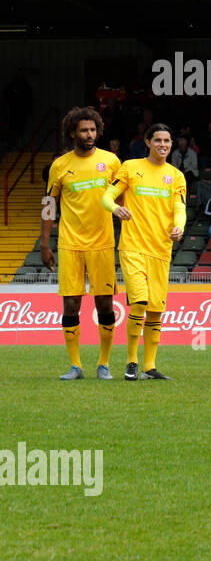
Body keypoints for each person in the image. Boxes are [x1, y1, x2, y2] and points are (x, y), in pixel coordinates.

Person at [40, 107, 122, 380]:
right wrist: (44, 244)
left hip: (102, 243)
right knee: (71, 304)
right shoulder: (60, 165)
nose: (90, 134)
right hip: (70, 243)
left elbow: (122, 200)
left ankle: (104, 364)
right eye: (84, 130)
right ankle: (75, 365)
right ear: (72, 132)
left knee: (105, 305)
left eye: (93, 130)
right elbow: (49, 204)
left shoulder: (111, 161)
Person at [102, 123, 186, 380]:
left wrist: (179, 226)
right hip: (133, 247)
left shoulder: (176, 176)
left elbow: (180, 208)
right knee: (139, 301)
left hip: (161, 249)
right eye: (158, 140)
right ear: (147, 142)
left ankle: (149, 366)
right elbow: (107, 196)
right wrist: (115, 209)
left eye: (168, 141)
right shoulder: (131, 167)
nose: (163, 145)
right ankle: (132, 361)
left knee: (156, 309)